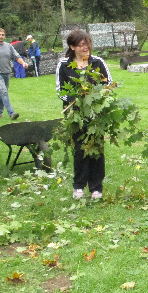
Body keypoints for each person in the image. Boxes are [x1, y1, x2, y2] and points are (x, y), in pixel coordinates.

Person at [56, 29, 112, 200]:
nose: (86, 48)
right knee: (80, 149)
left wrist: (97, 96)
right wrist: (76, 98)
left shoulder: (98, 62)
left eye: (87, 44)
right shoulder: (64, 65)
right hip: (76, 114)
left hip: (96, 113)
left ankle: (96, 187)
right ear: (72, 47)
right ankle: (78, 185)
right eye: (81, 45)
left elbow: (108, 84)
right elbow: (60, 91)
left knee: (96, 149)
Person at [0, 28, 27, 120]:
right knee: (3, 91)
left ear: (5, 36)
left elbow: (17, 56)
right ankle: (11, 113)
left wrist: (23, 63)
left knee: (3, 93)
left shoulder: (9, 46)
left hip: (6, 73)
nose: (1, 36)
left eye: (2, 35)